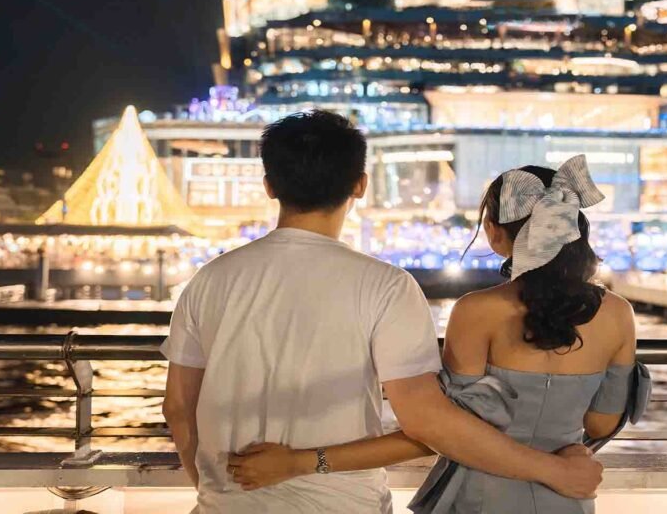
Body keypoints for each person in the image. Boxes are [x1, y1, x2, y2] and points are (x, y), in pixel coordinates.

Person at [160, 111, 604, 514]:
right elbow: (426, 424)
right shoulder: (386, 286)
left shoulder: (208, 280)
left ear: (270, 186)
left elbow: (178, 408)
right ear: (360, 184)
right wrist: (554, 470)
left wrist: (215, 490)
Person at [228, 154, 651, 513]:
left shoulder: (477, 312)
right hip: (567, 494)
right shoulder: (619, 315)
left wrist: (302, 462)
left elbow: (441, 429)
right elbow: (601, 422)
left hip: (477, 495)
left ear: (496, 234)